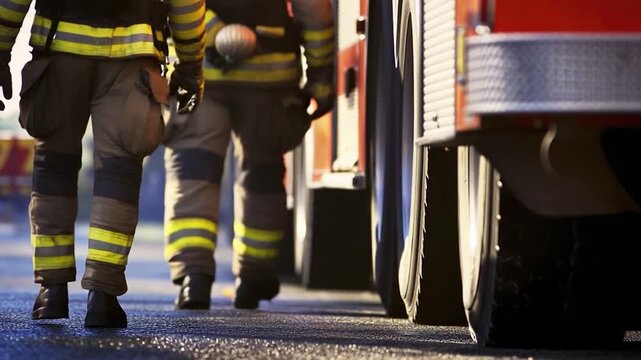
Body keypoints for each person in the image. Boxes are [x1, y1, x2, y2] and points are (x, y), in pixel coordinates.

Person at [0, 0, 206, 328]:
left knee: (53, 167)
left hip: (59, 55)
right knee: (119, 173)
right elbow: (187, 4)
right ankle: (103, 295)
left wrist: (2, 48)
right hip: (132, 61)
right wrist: (191, 64)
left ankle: (52, 290)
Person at [163, 0, 335, 310]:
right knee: (261, 177)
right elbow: (314, 9)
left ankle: (194, 279)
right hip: (270, 78)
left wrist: (213, 33)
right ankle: (252, 279)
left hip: (202, 74)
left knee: (193, 173)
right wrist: (320, 73)